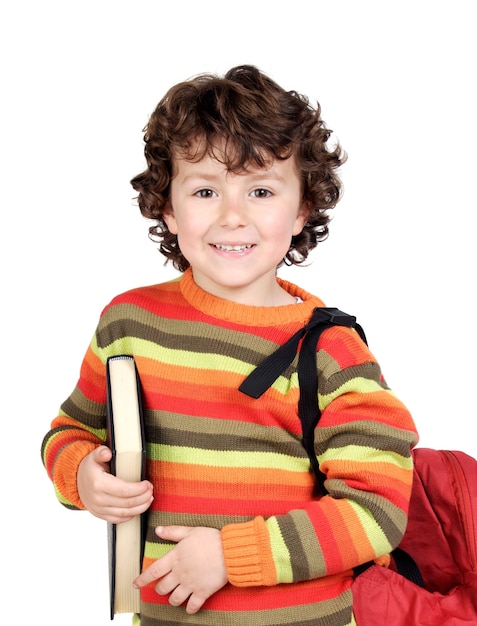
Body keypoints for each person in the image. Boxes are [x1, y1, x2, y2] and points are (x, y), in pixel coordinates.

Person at [41, 64, 419, 626]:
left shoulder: (331, 350)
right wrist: (83, 478)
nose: (232, 215)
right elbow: (71, 432)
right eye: (204, 190)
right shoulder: (129, 322)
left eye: (261, 190)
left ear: (302, 210)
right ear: (168, 207)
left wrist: (230, 556)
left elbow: (378, 510)